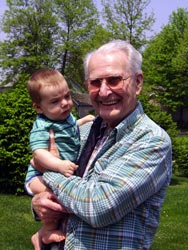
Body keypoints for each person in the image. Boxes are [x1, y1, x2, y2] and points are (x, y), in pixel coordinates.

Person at [31, 40, 172, 250]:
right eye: (95, 82)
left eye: (114, 80)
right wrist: (39, 204)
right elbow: (46, 184)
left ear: (138, 82)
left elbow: (98, 206)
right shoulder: (84, 132)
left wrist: (49, 170)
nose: (104, 92)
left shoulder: (151, 141)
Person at [24, 68, 95, 250]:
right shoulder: (42, 125)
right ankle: (45, 231)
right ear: (39, 108)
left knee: (59, 199)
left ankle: (41, 234)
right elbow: (39, 153)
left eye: (67, 96)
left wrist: (83, 121)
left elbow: (71, 130)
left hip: (55, 171)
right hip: (37, 177)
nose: (65, 104)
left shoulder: (65, 118)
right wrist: (58, 165)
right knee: (53, 198)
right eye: (55, 101)